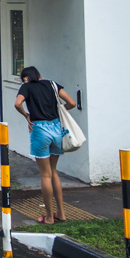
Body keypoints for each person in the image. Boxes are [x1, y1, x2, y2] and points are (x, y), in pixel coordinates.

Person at [14, 66, 78, 225]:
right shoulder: (52, 84)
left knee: (45, 175)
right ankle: (61, 214)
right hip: (56, 129)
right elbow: (71, 103)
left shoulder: (26, 87)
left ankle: (49, 217)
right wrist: (59, 111)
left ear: (25, 78)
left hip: (40, 130)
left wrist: (26, 115)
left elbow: (17, 103)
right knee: (54, 172)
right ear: (39, 75)